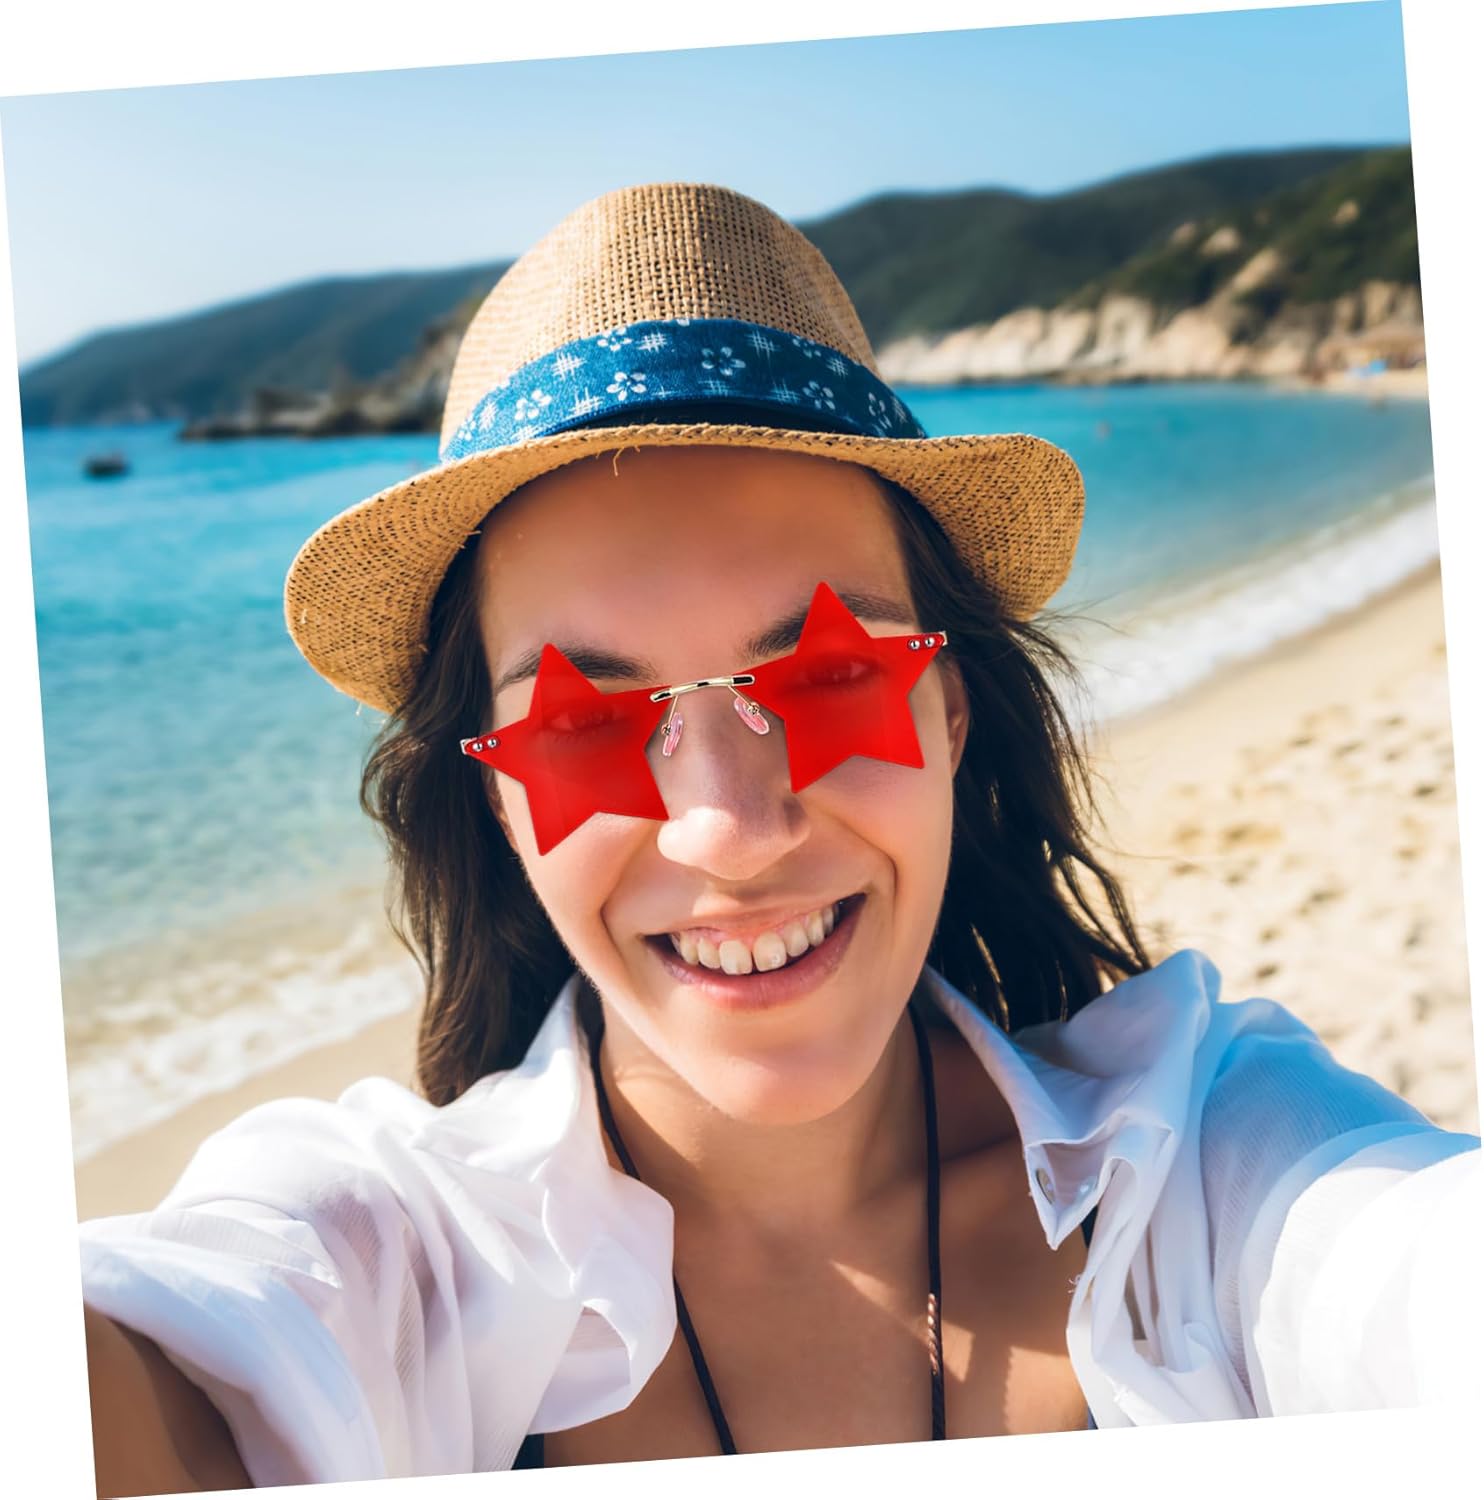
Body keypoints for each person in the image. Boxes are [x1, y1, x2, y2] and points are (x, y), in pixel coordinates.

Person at [79, 182, 1479, 1494]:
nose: (730, 830)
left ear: (949, 715)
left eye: (831, 674)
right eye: (583, 722)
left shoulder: (1210, 1162)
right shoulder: (390, 1263)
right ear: (496, 800)